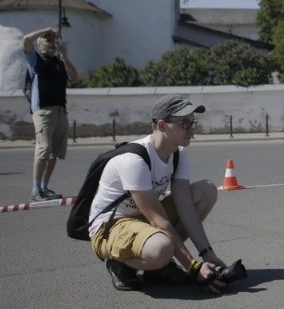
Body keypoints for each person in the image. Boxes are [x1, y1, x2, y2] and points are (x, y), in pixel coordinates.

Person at [89, 94, 228, 292]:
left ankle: (157, 268)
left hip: (142, 219)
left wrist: (208, 255)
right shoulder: (134, 160)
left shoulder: (178, 154)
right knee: (161, 248)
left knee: (206, 191)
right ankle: (119, 262)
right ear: (162, 126)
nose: (191, 129)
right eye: (184, 123)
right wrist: (193, 268)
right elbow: (158, 221)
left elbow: (185, 206)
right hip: (112, 226)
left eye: (192, 123)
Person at [23, 26, 78, 201]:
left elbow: (74, 77)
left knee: (55, 152)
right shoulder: (35, 60)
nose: (51, 42)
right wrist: (45, 30)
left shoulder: (58, 62)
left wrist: (65, 57)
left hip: (61, 109)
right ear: (39, 44)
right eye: (47, 39)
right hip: (43, 110)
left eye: (52, 40)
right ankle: (35, 190)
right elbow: (25, 40)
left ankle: (45, 187)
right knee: (43, 148)